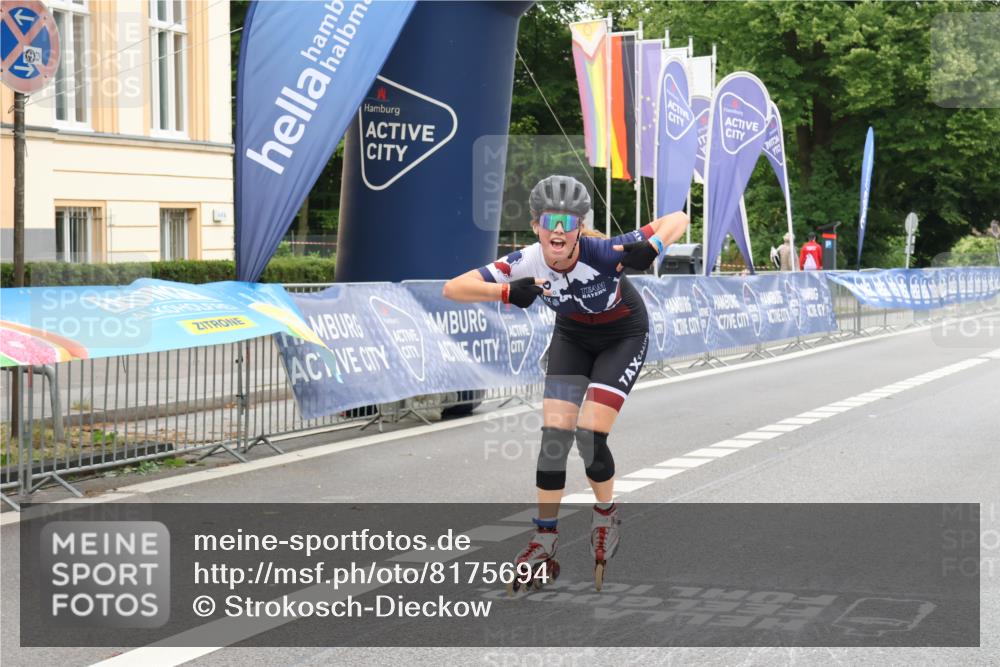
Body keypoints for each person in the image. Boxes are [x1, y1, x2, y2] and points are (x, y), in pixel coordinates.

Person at [442, 175, 689, 591]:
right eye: (549, 220)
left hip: (622, 335)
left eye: (568, 221)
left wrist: (653, 247)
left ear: (580, 227)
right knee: (554, 439)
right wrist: (504, 292)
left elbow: (678, 217)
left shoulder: (604, 251)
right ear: (535, 225)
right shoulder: (524, 262)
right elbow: (453, 288)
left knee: (589, 436)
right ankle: (544, 538)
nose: (558, 230)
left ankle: (606, 514)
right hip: (572, 337)